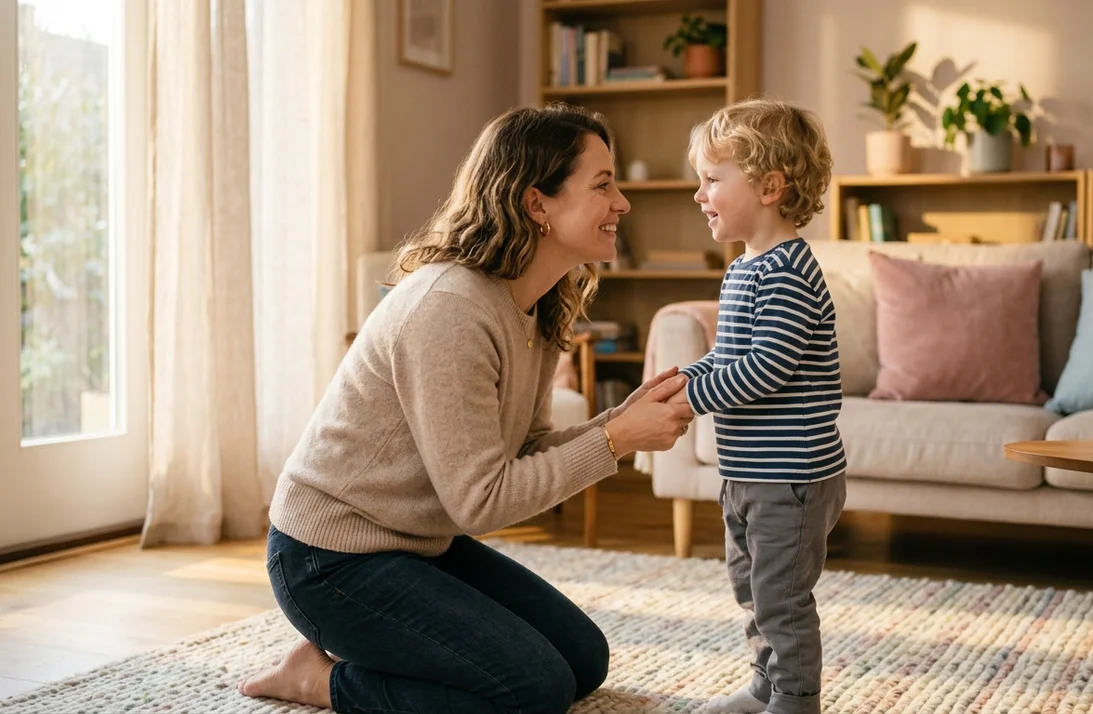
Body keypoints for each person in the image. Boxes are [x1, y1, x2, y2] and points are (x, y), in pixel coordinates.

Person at [238, 103, 696, 714]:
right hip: (329, 560)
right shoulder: (448, 308)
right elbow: (480, 500)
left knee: (583, 661)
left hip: (416, 541)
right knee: (533, 690)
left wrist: (616, 423)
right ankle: (318, 681)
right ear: (538, 204)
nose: (622, 203)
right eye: (603, 184)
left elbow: (525, 449)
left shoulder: (538, 302)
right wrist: (616, 441)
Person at [670, 99, 845, 714]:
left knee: (781, 596)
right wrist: (678, 381)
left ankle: (797, 701)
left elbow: (765, 370)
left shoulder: (791, 271)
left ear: (771, 187)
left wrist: (694, 400)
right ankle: (764, 685)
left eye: (713, 180)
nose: (700, 194)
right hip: (747, 474)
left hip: (791, 477)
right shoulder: (746, 268)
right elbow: (726, 357)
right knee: (751, 588)